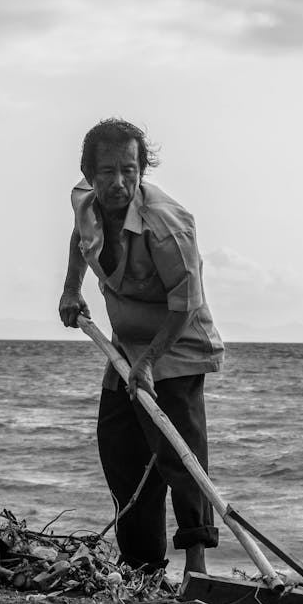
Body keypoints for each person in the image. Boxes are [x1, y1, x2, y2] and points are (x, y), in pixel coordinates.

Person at [59, 118, 224, 578]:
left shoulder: (168, 226)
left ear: (141, 169)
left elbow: (185, 303)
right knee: (120, 451)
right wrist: (72, 288)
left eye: (129, 170)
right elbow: (80, 236)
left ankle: (198, 569)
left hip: (177, 344)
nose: (118, 183)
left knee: (181, 458)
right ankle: (142, 567)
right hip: (125, 346)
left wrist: (150, 361)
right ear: (90, 173)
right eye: (107, 171)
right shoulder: (86, 203)